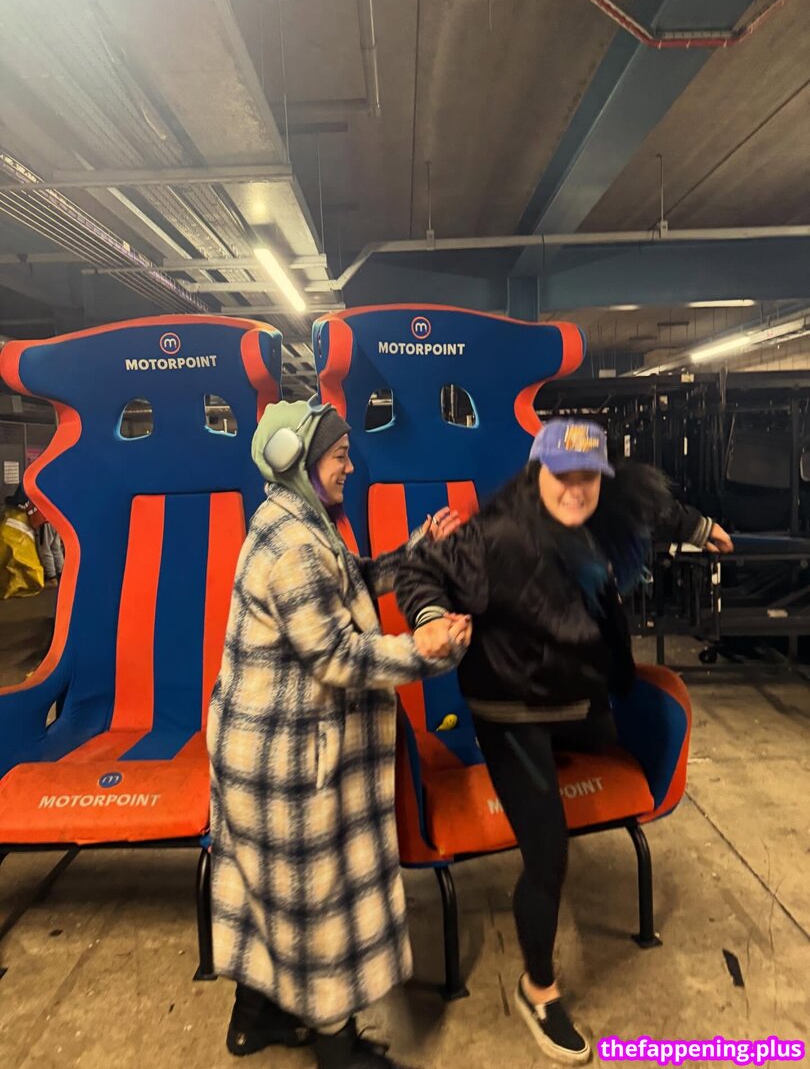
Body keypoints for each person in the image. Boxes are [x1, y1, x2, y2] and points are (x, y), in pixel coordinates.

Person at [395, 418, 733, 1064]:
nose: (576, 489)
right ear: (535, 475)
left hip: (574, 696)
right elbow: (420, 573)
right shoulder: (497, 537)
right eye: (562, 476)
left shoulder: (598, 512)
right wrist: (432, 617)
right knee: (547, 849)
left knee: (609, 741)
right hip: (512, 708)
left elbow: (646, 503)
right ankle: (538, 990)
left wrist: (698, 526)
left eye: (588, 478)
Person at [206, 400, 470, 1069]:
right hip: (286, 761)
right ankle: (336, 1046)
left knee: (266, 892)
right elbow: (337, 657)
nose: (350, 466)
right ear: (296, 460)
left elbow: (352, 579)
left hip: (260, 747)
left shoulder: (296, 518)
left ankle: (254, 1021)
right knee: (315, 899)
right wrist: (426, 649)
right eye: (340, 455)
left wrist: (416, 548)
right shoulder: (295, 546)